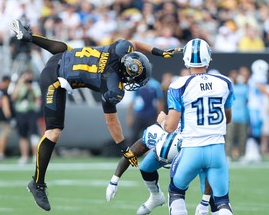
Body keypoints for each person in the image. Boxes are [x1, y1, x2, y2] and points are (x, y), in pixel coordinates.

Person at [10, 19, 177, 211]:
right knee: (53, 132)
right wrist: (124, 148)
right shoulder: (112, 85)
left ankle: (30, 38)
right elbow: (111, 120)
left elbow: (135, 43)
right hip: (54, 78)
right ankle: (37, 183)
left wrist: (157, 52)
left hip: (63, 56)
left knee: (69, 49)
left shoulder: (120, 49)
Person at [157, 38, 235, 215]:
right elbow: (227, 118)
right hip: (217, 150)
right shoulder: (224, 82)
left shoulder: (179, 85)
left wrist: (162, 120)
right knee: (222, 202)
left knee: (176, 193)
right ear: (208, 58)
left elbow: (170, 127)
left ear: (186, 59)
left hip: (191, 149)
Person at [106, 123, 217, 215]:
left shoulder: (196, 144)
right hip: (171, 140)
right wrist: (114, 180)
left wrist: (204, 201)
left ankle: (216, 209)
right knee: (145, 167)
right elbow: (131, 153)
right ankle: (155, 196)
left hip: (194, 148)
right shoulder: (154, 135)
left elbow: (210, 172)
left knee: (210, 193)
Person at [11, 70, 42, 164]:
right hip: (21, 112)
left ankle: (35, 156)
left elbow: (38, 97)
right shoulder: (19, 85)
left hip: (31, 111)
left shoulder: (34, 85)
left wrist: (31, 88)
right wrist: (20, 83)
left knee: (34, 134)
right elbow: (13, 97)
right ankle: (24, 156)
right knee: (23, 135)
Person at [241, 59, 269, 163]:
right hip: (255, 106)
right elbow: (261, 87)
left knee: (256, 129)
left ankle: (253, 151)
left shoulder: (254, 77)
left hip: (256, 106)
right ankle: (250, 152)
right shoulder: (258, 77)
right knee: (254, 129)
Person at [126, 77, 164, 145]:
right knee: (134, 135)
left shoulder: (155, 85)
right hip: (139, 115)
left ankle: (153, 153)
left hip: (151, 115)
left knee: (154, 135)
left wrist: (159, 115)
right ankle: (130, 153)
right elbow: (132, 101)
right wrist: (129, 116)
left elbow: (160, 101)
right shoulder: (137, 85)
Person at [0, 75, 15, 160]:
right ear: (6, 81)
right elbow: (5, 105)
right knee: (4, 135)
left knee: (2, 135)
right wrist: (9, 117)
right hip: (3, 117)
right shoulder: (3, 92)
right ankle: (0, 153)